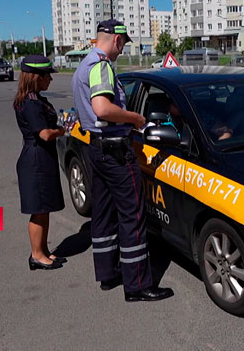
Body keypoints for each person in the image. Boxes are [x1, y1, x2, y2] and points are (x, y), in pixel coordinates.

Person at [72, 19, 174, 302]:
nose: (121, 50)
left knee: (103, 212)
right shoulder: (102, 66)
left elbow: (87, 114)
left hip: (98, 148)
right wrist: (136, 119)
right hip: (116, 151)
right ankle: (138, 285)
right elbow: (103, 108)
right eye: (123, 44)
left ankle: (107, 273)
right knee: (133, 214)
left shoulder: (84, 65)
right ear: (116, 40)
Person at [14, 55, 68, 270]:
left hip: (41, 158)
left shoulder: (36, 99)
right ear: (35, 77)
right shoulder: (30, 102)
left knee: (44, 208)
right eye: (47, 75)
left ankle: (43, 250)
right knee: (38, 209)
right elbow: (44, 134)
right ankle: (36, 255)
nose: (51, 80)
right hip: (35, 159)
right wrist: (63, 131)